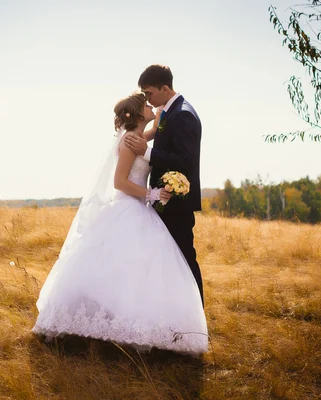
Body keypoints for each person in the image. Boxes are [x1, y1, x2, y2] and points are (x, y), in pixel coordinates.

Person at [32, 92, 208, 356]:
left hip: (139, 209)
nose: (151, 106)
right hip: (129, 207)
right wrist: (152, 194)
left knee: (136, 273)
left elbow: (147, 139)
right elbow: (120, 182)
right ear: (138, 114)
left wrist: (157, 120)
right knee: (121, 270)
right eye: (146, 105)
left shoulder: (136, 137)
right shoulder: (128, 142)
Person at [124, 64, 204, 305]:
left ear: (165, 88)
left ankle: (195, 317)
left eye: (148, 93)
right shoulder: (168, 112)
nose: (146, 98)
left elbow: (186, 162)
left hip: (177, 204)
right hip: (161, 200)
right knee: (168, 263)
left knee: (184, 259)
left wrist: (146, 153)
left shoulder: (183, 114)